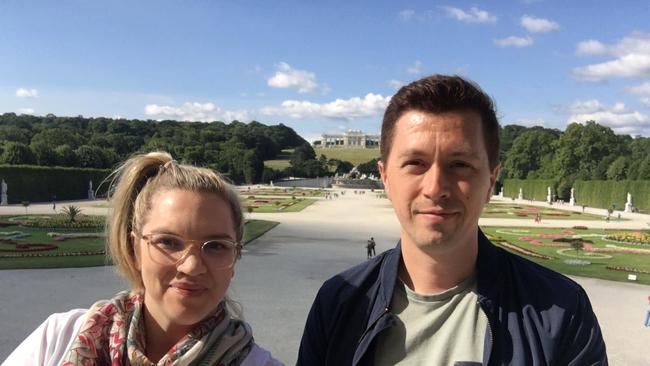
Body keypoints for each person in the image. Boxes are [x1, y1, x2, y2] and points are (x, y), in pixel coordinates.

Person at [297, 75, 607, 365]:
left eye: (459, 164)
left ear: (490, 179)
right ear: (385, 177)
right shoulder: (336, 301)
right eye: (415, 163)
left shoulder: (564, 310)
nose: (435, 188)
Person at [4, 152, 282, 366]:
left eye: (216, 246)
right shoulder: (58, 337)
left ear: (235, 257)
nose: (192, 265)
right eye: (169, 242)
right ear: (134, 248)